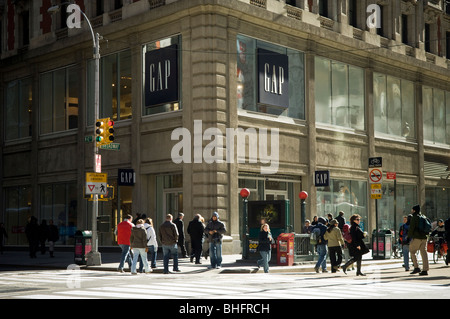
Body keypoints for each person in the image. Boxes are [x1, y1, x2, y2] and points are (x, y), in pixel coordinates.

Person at [408, 204, 429, 276]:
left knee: (412, 251)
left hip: (417, 237)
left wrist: (409, 237)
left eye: (412, 210)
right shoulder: (423, 216)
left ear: (414, 210)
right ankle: (425, 270)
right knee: (424, 253)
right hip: (424, 238)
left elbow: (411, 228)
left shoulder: (414, 217)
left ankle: (416, 267)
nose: (411, 211)